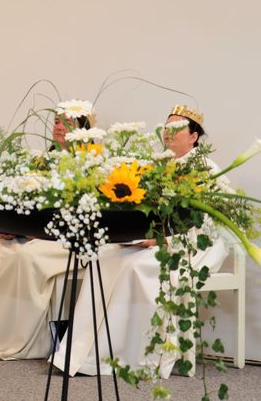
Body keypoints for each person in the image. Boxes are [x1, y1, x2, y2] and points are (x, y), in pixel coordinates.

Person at [51, 105, 230, 378]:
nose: (168, 132)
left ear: (194, 137)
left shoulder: (206, 169)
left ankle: (128, 356)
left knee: (137, 268)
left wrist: (165, 240)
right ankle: (78, 352)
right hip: (153, 239)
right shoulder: (159, 165)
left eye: (177, 128)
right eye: (166, 127)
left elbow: (210, 224)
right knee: (104, 258)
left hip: (190, 244)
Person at [0, 113, 89, 360]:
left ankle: (19, 339)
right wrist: (9, 226)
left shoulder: (89, 166)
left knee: (26, 257)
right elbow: (24, 201)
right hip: (31, 233)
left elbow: (83, 214)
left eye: (68, 122)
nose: (59, 127)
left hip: (66, 239)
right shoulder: (39, 161)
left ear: (82, 130)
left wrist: (36, 232)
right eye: (56, 121)